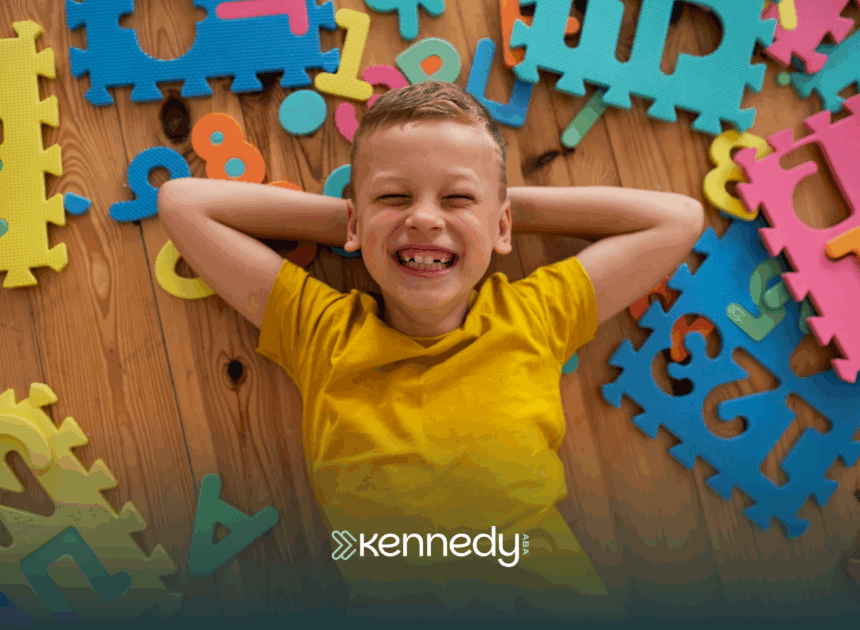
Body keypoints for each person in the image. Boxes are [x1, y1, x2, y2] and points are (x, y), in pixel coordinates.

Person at [159, 81, 705, 623]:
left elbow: (677, 218)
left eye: (456, 197)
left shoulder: (534, 316)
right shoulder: (321, 332)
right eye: (395, 197)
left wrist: (495, 213)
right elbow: (183, 201)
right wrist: (363, 223)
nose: (423, 218)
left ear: (502, 222)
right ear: (354, 219)